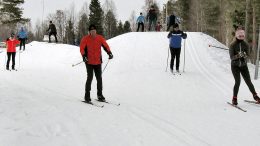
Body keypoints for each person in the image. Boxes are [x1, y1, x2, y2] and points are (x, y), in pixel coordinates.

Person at [80, 24, 113, 103]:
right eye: (91, 31)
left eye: (94, 31)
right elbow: (82, 48)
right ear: (89, 32)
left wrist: (109, 53)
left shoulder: (100, 38)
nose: (93, 32)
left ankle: (100, 95)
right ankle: (87, 96)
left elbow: (105, 46)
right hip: (89, 62)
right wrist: (84, 56)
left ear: (96, 31)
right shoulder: (85, 39)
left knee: (99, 78)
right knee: (90, 78)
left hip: (98, 62)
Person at [229, 27, 260, 105]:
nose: (241, 37)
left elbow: (248, 56)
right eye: (240, 36)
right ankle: (234, 98)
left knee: (248, 81)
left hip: (243, 66)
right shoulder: (232, 45)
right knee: (237, 82)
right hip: (235, 66)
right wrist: (238, 55)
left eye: (243, 36)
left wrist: (245, 55)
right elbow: (232, 58)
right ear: (236, 36)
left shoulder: (245, 44)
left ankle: (255, 96)